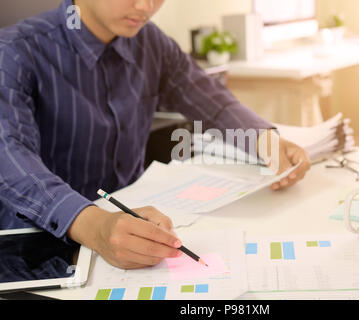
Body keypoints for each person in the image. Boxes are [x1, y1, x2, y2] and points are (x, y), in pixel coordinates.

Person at [0, 0, 311, 269]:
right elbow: (10, 157)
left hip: (135, 236)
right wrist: (96, 227)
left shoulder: (151, 43)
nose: (146, 7)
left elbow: (207, 98)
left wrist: (264, 140)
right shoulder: (14, 51)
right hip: (36, 252)